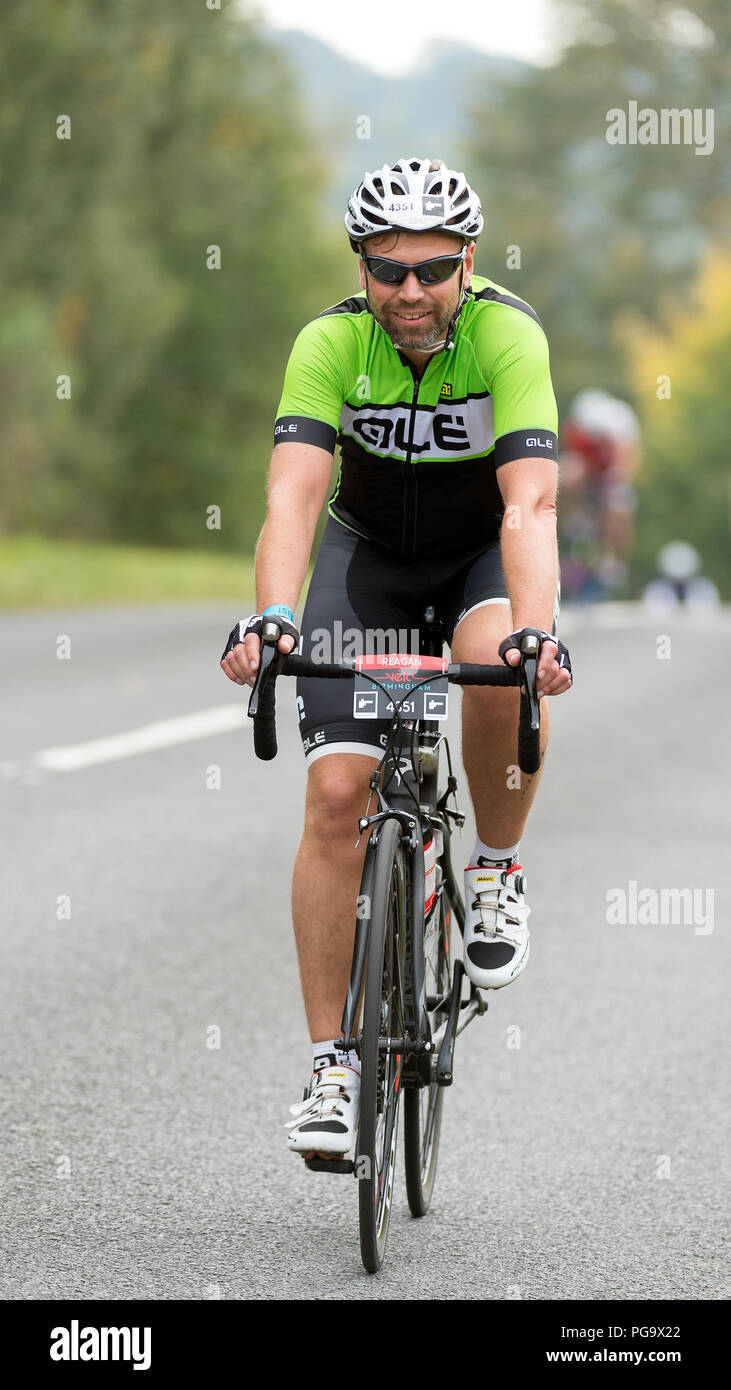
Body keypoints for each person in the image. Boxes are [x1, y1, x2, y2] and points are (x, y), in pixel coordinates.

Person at [221, 157, 573, 1162]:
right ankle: (332, 1066)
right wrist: (274, 617)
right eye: (387, 269)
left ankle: (496, 867)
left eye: (431, 268)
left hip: (474, 560)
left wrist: (535, 627)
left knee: (491, 655)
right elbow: (291, 497)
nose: (409, 292)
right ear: (361, 267)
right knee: (336, 796)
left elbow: (529, 502)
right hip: (364, 564)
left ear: (466, 262)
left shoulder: (507, 334)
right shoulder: (330, 342)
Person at [559, 389, 640, 600]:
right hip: (589, 469)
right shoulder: (576, 426)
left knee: (618, 501)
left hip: (610, 469)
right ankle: (577, 524)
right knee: (565, 472)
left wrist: (613, 482)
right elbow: (571, 456)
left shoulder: (622, 428)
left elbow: (628, 463)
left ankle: (615, 561)